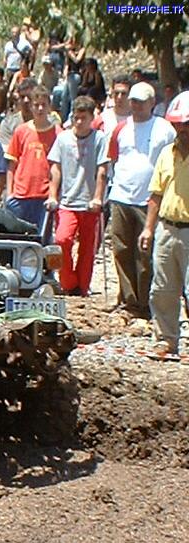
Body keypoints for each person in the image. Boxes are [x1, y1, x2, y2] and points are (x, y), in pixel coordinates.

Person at [107, 82, 176, 319]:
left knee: (145, 253)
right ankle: (130, 301)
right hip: (121, 195)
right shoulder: (121, 129)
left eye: (141, 101)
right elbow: (114, 159)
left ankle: (146, 302)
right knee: (121, 249)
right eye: (133, 101)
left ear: (152, 103)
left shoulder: (164, 129)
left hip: (149, 197)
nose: (135, 105)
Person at [138, 91, 189, 356]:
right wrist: (148, 227)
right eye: (178, 125)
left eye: (187, 124)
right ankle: (167, 340)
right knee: (163, 289)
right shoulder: (167, 154)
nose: (182, 130)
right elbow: (156, 194)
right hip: (167, 229)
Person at [47, 96, 109, 296]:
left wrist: (98, 197)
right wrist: (52, 195)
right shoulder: (63, 138)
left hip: (89, 202)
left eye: (84, 118)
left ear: (92, 117)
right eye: (76, 117)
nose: (79, 122)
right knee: (62, 240)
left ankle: (82, 286)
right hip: (68, 201)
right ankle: (69, 282)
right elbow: (55, 168)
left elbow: (102, 171)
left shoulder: (99, 139)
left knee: (88, 248)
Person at [5, 85, 61, 235]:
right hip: (21, 194)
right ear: (30, 107)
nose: (40, 109)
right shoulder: (21, 131)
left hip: (44, 196)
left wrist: (55, 194)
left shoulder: (58, 133)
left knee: (42, 240)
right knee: (17, 238)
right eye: (36, 105)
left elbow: (60, 167)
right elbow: (12, 163)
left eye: (44, 105)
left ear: (50, 106)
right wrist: (9, 193)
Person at [0, 78, 59, 151]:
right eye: (22, 97)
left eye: (29, 97)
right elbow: (7, 152)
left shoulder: (52, 124)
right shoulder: (8, 124)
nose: (25, 101)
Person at [62, 37, 85, 122]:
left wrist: (70, 53)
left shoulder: (81, 50)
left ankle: (71, 118)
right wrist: (65, 71)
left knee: (73, 98)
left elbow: (77, 60)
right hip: (69, 75)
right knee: (64, 96)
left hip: (76, 75)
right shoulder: (69, 52)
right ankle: (63, 118)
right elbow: (67, 63)